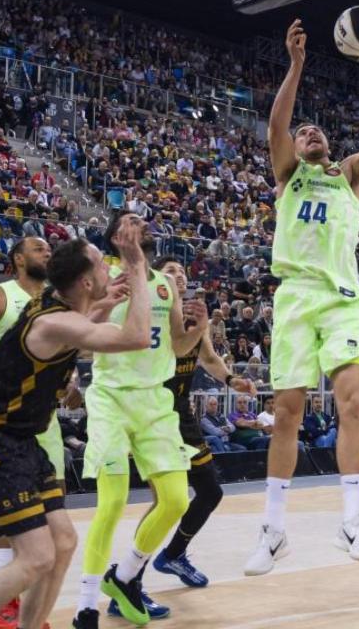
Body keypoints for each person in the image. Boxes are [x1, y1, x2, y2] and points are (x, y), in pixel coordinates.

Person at [243, 21, 359, 575]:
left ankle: (352, 520)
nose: (309, 132)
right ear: (295, 149)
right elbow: (277, 123)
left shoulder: (349, 174)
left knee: (351, 405)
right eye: (304, 133)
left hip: (343, 297)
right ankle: (273, 531)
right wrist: (296, 64)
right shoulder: (288, 174)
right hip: (295, 296)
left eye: (316, 130)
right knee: (287, 413)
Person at [0, 229, 151, 629]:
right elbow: (138, 337)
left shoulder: (56, 305)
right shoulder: (55, 321)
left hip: (22, 439)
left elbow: (78, 328)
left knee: (63, 542)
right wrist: (138, 265)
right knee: (35, 557)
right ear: (86, 282)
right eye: (102, 265)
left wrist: (101, 304)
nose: (110, 269)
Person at [73, 212, 209, 629]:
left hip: (155, 400)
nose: (141, 224)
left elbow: (177, 345)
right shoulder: (102, 279)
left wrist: (198, 328)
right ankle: (85, 607)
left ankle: (125, 577)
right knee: (112, 502)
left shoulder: (165, 283)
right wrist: (102, 305)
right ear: (116, 235)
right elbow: (79, 340)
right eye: (130, 221)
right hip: (111, 398)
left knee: (176, 500)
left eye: (143, 220)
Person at [106, 257, 255, 602]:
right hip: (154, 415)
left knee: (210, 492)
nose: (179, 276)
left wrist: (232, 379)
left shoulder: (194, 317)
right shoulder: (151, 315)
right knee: (164, 503)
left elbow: (209, 359)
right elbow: (175, 348)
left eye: (183, 272)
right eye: (171, 271)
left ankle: (172, 555)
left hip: (182, 415)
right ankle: (129, 580)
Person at [0, 237, 83, 629]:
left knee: (55, 532)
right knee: (14, 529)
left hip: (43, 425)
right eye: (38, 249)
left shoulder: (57, 301)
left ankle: (28, 613)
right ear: (18, 259)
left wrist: (68, 384)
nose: (47, 253)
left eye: (49, 250)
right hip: (2, 424)